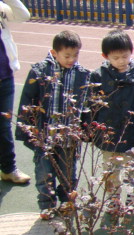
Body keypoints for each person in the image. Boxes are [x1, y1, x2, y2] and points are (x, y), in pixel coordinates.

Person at [15, 30, 90, 219]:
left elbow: (87, 107)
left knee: (68, 174)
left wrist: (86, 130)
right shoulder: (40, 71)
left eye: (75, 55)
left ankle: (66, 202)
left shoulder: (82, 75)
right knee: (44, 173)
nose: (71, 59)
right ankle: (47, 205)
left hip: (69, 138)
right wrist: (27, 131)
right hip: (45, 137)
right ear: (54, 53)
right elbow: (28, 101)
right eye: (67, 55)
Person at [90, 30, 134, 210]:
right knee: (110, 169)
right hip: (108, 133)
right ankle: (113, 198)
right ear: (105, 56)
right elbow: (93, 106)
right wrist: (93, 131)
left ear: (131, 52)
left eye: (125, 56)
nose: (121, 61)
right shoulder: (98, 76)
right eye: (116, 58)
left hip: (131, 131)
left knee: (133, 167)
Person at [0, 0, 31, 185]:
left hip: (5, 78)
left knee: (4, 126)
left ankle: (9, 169)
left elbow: (23, 15)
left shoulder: (1, 8)